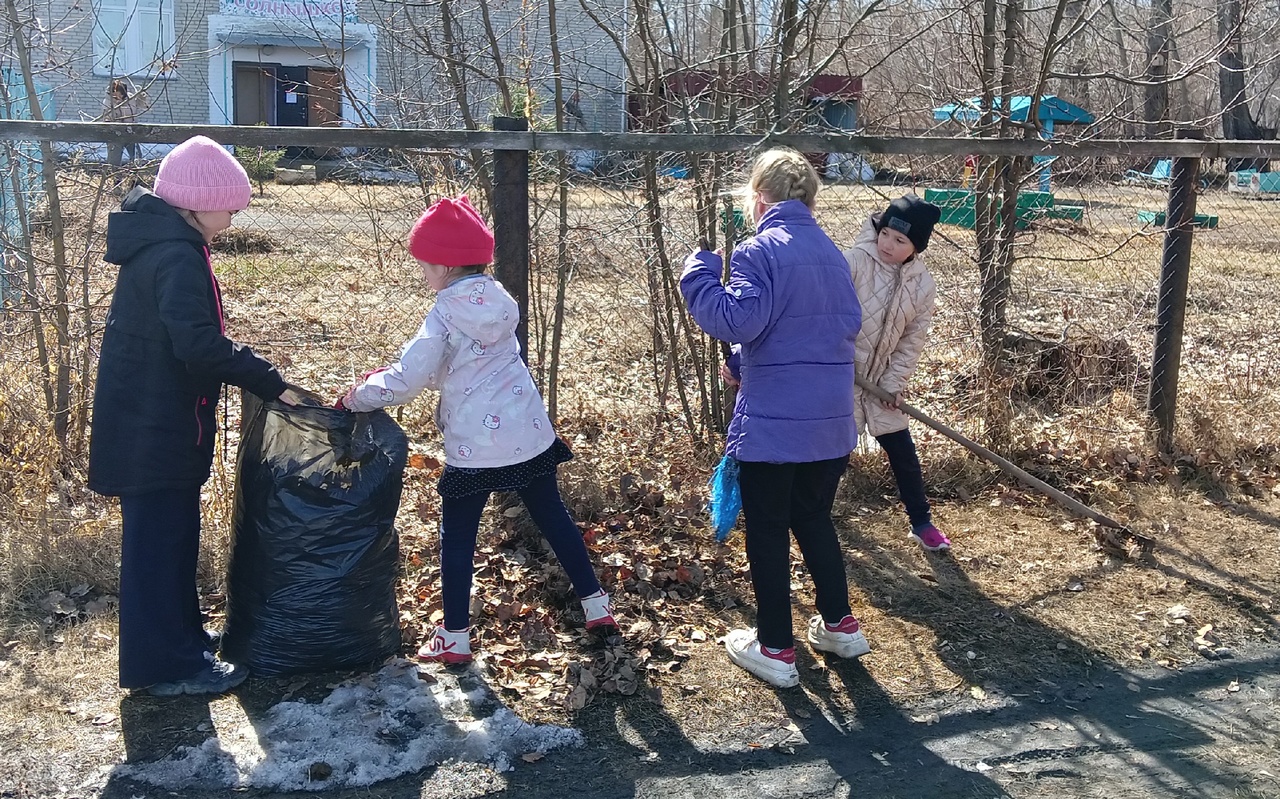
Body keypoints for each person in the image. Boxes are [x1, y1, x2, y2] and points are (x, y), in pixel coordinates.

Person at [337, 195, 616, 665]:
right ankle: (596, 604)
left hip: (474, 448)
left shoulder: (444, 314)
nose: (424, 275)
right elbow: (467, 362)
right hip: (529, 435)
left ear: (445, 267)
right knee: (553, 516)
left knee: (459, 534)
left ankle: (455, 635)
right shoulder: (499, 299)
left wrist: (357, 397)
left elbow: (408, 379)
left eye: (425, 266)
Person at [89, 135, 302, 696]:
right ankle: (166, 667)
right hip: (153, 426)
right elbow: (199, 345)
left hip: (155, 419)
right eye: (229, 203)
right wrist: (268, 379)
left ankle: (183, 642)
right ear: (196, 201)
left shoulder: (167, 244)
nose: (235, 213)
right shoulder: (176, 255)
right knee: (158, 547)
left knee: (172, 538)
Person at [680, 148, 868, 689]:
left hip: (774, 423)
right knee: (812, 518)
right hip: (829, 420)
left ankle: (775, 648)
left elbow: (734, 317)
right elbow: (822, 328)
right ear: (807, 197)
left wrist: (699, 274)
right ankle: (841, 626)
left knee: (766, 529)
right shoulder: (832, 253)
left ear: (759, 198)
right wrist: (748, 361)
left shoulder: (758, 251)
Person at [842, 194, 950, 552]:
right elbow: (827, 315)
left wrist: (892, 385)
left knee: (903, 452)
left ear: (916, 247)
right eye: (885, 233)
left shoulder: (922, 285)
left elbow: (911, 342)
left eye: (900, 240)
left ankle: (921, 522)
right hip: (841, 379)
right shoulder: (854, 261)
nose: (888, 244)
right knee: (831, 455)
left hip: (881, 386)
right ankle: (810, 515)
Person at [103, 80, 142, 165]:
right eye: (116, 94)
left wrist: (141, 97)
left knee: (136, 158)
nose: (118, 96)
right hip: (116, 134)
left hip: (131, 132)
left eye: (121, 94)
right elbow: (107, 119)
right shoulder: (108, 102)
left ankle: (136, 174)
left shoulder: (130, 98)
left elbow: (141, 106)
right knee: (114, 160)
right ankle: (113, 175)